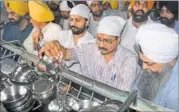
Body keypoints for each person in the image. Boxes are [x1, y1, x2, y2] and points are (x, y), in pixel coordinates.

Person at [39, 16, 137, 92]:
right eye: (99, 39)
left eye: (107, 41)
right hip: (87, 97)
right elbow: (67, 53)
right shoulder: (89, 48)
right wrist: (56, 45)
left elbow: (123, 95)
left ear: (118, 40)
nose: (101, 44)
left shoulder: (128, 60)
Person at [134, 23, 178, 110]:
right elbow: (135, 90)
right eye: (142, 61)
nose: (143, 67)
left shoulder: (175, 92)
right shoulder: (151, 68)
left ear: (169, 61)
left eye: (149, 63)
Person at [54, 4, 94, 74]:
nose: (73, 23)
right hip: (61, 76)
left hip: (79, 81)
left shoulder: (91, 42)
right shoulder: (62, 35)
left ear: (87, 22)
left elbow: (69, 60)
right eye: (71, 20)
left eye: (77, 20)